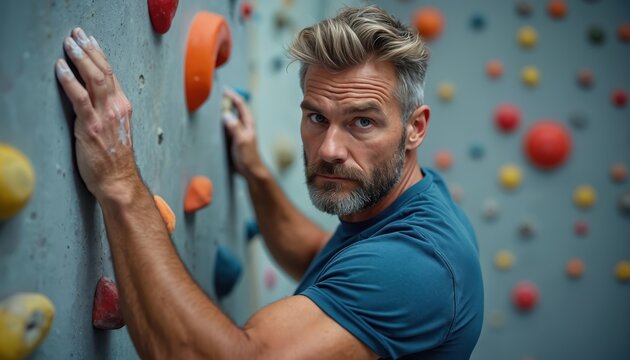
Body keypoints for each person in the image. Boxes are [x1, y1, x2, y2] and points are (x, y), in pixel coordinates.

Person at [55, 5, 483, 359]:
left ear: (415, 128)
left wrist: (119, 181)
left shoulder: (416, 268)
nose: (330, 148)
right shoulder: (412, 202)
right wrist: (255, 172)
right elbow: (323, 256)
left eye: (362, 122)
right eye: (317, 117)